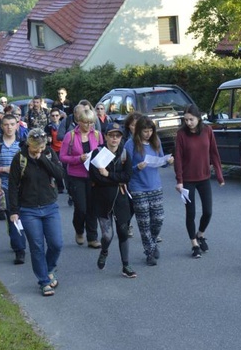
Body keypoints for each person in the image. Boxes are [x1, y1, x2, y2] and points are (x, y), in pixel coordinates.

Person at [8, 128, 66, 296]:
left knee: (56, 243)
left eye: (41, 148)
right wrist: (13, 211)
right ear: (28, 144)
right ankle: (44, 281)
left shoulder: (48, 154)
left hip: (50, 206)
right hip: (29, 209)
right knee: (37, 246)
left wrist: (42, 158)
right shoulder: (19, 158)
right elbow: (12, 186)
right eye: (35, 149)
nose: (38, 151)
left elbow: (59, 174)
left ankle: (49, 269)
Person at [174, 104, 224, 258]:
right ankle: (194, 243)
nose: (188, 123)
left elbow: (214, 153)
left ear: (198, 117)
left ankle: (200, 234)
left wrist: (220, 175)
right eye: (186, 120)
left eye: (191, 119)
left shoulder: (207, 131)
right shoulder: (181, 134)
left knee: (208, 211)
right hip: (188, 180)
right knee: (191, 212)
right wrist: (179, 180)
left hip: (204, 178)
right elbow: (178, 158)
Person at [124, 116, 173, 266]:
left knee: (158, 219)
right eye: (145, 131)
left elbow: (161, 162)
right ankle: (149, 252)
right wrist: (136, 167)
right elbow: (125, 169)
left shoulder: (155, 141)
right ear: (139, 131)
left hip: (155, 186)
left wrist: (168, 161)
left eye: (150, 130)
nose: (148, 134)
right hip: (138, 188)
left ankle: (152, 243)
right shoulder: (130, 144)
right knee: (144, 222)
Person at [89, 123, 137, 278]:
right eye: (111, 135)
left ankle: (126, 265)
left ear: (121, 137)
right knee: (107, 236)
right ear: (106, 136)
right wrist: (116, 179)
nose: (114, 138)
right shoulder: (97, 153)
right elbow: (95, 177)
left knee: (123, 232)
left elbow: (128, 176)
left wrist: (108, 175)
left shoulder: (124, 154)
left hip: (121, 198)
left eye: (118, 135)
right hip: (102, 199)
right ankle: (104, 251)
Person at [0, 113, 27, 264]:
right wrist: (4, 169)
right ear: (2, 127)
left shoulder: (23, 144)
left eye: (12, 124)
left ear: (17, 125)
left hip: (25, 186)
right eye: (6, 125)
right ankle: (19, 249)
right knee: (13, 216)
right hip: (5, 186)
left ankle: (20, 239)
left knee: (25, 216)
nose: (9, 127)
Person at [59, 106, 103, 248]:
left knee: (92, 207)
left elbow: (102, 152)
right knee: (81, 208)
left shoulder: (96, 135)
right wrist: (79, 159)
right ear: (79, 121)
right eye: (85, 123)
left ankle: (92, 237)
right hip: (76, 175)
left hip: (93, 175)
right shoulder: (70, 135)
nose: (89, 126)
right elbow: (62, 157)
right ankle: (79, 230)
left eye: (91, 123)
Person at [45, 109, 65, 193]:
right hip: (54, 150)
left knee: (65, 168)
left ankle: (69, 185)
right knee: (57, 168)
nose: (55, 117)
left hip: (64, 149)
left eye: (56, 115)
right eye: (53, 116)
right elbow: (46, 137)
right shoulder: (48, 126)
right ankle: (60, 187)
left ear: (59, 116)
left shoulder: (63, 125)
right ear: (50, 117)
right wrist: (48, 138)